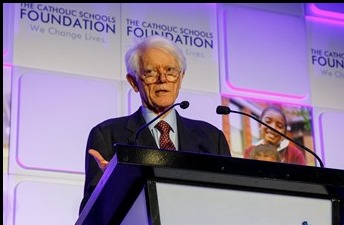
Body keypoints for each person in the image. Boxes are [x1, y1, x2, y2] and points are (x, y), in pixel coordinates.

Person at [79, 35, 231, 214]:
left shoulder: (211, 138)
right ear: (133, 82)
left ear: (181, 78)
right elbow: (90, 216)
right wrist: (109, 185)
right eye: (150, 72)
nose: (162, 79)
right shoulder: (107, 135)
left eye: (170, 71)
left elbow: (229, 202)